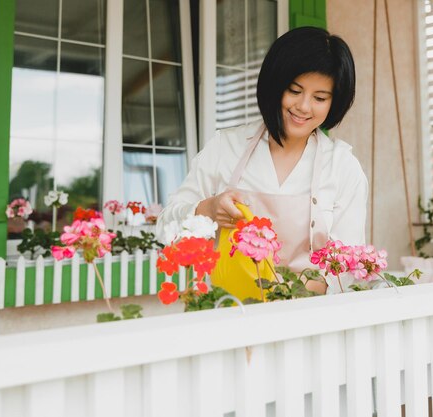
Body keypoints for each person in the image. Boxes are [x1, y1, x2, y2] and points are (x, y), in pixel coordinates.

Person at [157, 26, 368, 294]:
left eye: (319, 98)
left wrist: (287, 295)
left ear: (333, 102)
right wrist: (208, 210)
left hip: (308, 317)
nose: (304, 107)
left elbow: (348, 265)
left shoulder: (343, 167)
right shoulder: (226, 148)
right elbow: (166, 228)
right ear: (275, 85)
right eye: (294, 90)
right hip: (229, 312)